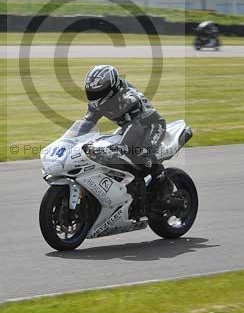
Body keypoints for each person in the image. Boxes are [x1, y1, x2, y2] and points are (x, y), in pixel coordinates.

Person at [67, 65, 177, 207]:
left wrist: (120, 148)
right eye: (91, 92)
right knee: (107, 153)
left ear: (110, 89)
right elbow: (87, 123)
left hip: (153, 126)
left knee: (142, 156)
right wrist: (70, 140)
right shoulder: (97, 102)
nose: (93, 96)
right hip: (129, 126)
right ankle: (128, 188)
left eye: (97, 92)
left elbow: (136, 128)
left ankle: (164, 190)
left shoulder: (127, 99)